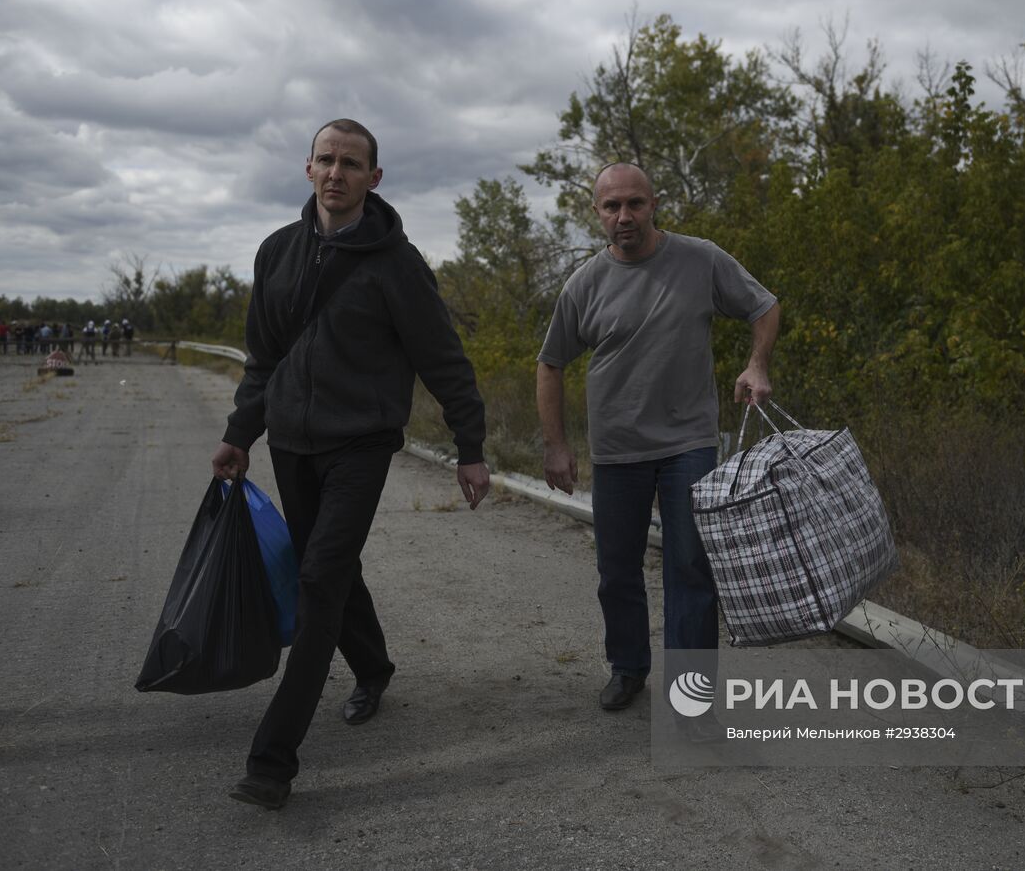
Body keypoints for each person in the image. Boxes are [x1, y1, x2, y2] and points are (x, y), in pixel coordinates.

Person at [211, 118, 490, 811]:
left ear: (374, 177)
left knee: (318, 582)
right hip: (292, 443)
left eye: (352, 163)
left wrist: (471, 447)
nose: (337, 173)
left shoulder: (397, 264)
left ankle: (272, 760)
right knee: (329, 566)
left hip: (361, 444)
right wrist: (241, 432)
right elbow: (263, 360)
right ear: (308, 170)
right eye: (326, 160)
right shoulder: (277, 252)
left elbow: (443, 361)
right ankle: (373, 666)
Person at [537, 162, 780, 713]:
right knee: (616, 571)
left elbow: (765, 306)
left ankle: (691, 697)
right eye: (611, 207)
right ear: (597, 213)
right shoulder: (585, 284)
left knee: (690, 567)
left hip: (688, 444)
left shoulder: (699, 259)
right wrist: (556, 445)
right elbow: (550, 364)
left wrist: (757, 365)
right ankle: (628, 669)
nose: (624, 216)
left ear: (653, 203)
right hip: (617, 449)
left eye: (634, 204)